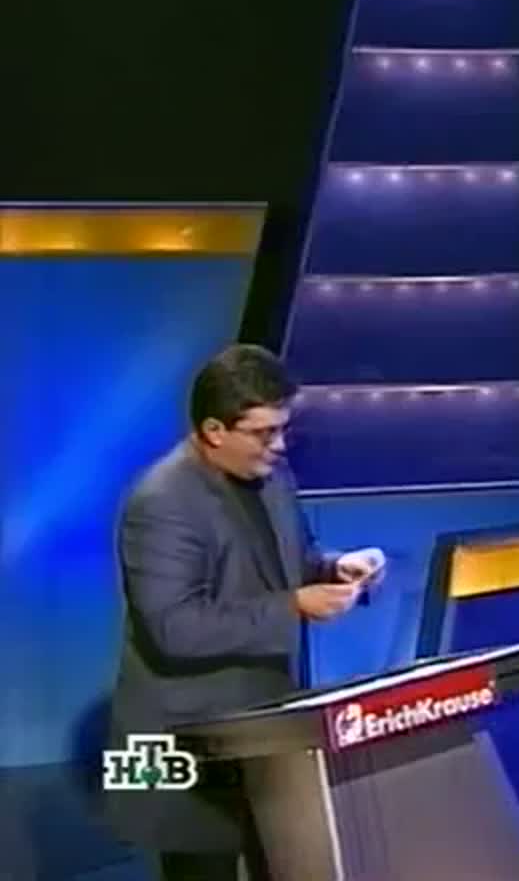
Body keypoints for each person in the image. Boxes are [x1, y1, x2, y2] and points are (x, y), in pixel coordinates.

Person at [103, 344, 386, 880]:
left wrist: (334, 567)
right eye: (263, 433)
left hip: (264, 724)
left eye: (283, 430)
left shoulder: (272, 477)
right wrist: (293, 605)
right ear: (214, 430)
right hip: (179, 736)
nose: (278, 446)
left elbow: (290, 559)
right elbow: (174, 629)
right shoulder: (159, 502)